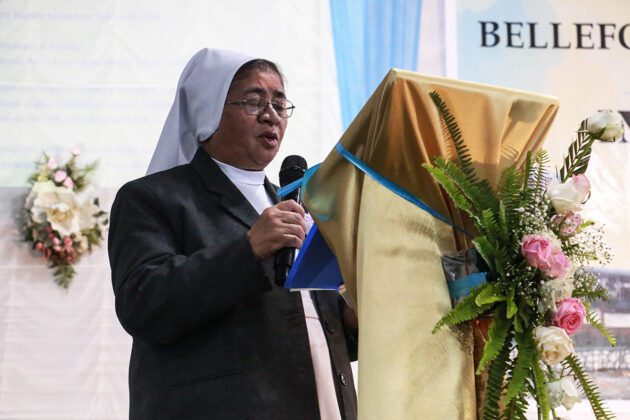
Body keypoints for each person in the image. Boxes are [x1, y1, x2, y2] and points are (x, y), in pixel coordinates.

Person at [108, 48, 358, 419]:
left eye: (279, 103)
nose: (271, 115)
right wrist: (248, 250)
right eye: (254, 101)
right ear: (209, 110)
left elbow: (303, 323)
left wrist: (350, 318)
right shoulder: (152, 198)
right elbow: (143, 304)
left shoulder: (292, 204)